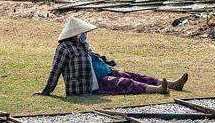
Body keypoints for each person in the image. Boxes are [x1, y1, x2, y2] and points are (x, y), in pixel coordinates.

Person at [34, 17, 188, 96]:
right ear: (74, 34)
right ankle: (159, 90)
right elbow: (55, 71)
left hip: (102, 71)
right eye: (82, 33)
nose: (85, 35)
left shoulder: (82, 45)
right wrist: (46, 91)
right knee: (125, 82)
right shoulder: (63, 48)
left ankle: (174, 84)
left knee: (133, 75)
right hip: (90, 83)